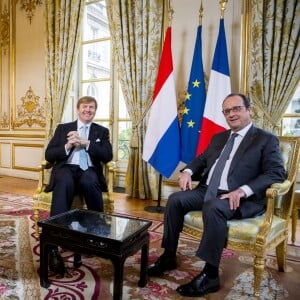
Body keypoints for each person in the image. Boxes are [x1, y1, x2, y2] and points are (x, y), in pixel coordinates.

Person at [147, 93, 286, 297]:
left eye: (236, 108)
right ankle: (168, 255)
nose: (231, 114)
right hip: (207, 190)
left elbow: (276, 173)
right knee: (175, 200)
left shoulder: (265, 139)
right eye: (227, 111)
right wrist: (187, 171)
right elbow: (201, 160)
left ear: (249, 110)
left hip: (238, 197)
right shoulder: (219, 138)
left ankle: (210, 274)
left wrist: (243, 190)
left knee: (213, 207)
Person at [44, 95, 113, 275]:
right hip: (66, 167)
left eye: (91, 107)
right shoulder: (63, 128)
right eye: (84, 107)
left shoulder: (101, 131)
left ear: (95, 111)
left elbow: (107, 156)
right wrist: (68, 145)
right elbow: (49, 154)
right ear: (78, 109)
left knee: (90, 181)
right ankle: (53, 244)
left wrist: (87, 143)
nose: (87, 110)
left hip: (88, 169)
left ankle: (96, 235)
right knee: (64, 181)